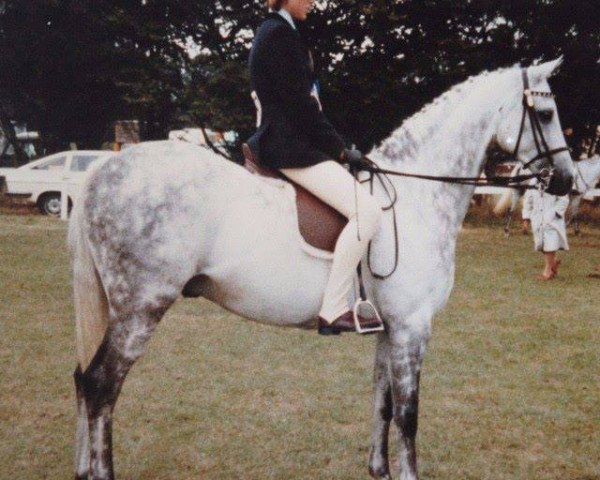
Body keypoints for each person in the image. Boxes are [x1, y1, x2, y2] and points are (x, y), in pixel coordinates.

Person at [247, 0, 383, 334]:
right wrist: (339, 150)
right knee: (368, 212)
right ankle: (334, 308)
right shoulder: (278, 35)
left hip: (292, 142)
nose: (312, 2)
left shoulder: (280, 31)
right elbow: (302, 107)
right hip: (289, 147)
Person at [522, 186, 569, 280]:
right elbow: (528, 201)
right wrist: (526, 218)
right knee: (541, 244)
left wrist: (555, 213)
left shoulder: (558, 180)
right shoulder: (534, 182)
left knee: (550, 243)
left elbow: (564, 199)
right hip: (537, 217)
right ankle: (553, 263)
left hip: (552, 218)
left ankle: (548, 271)